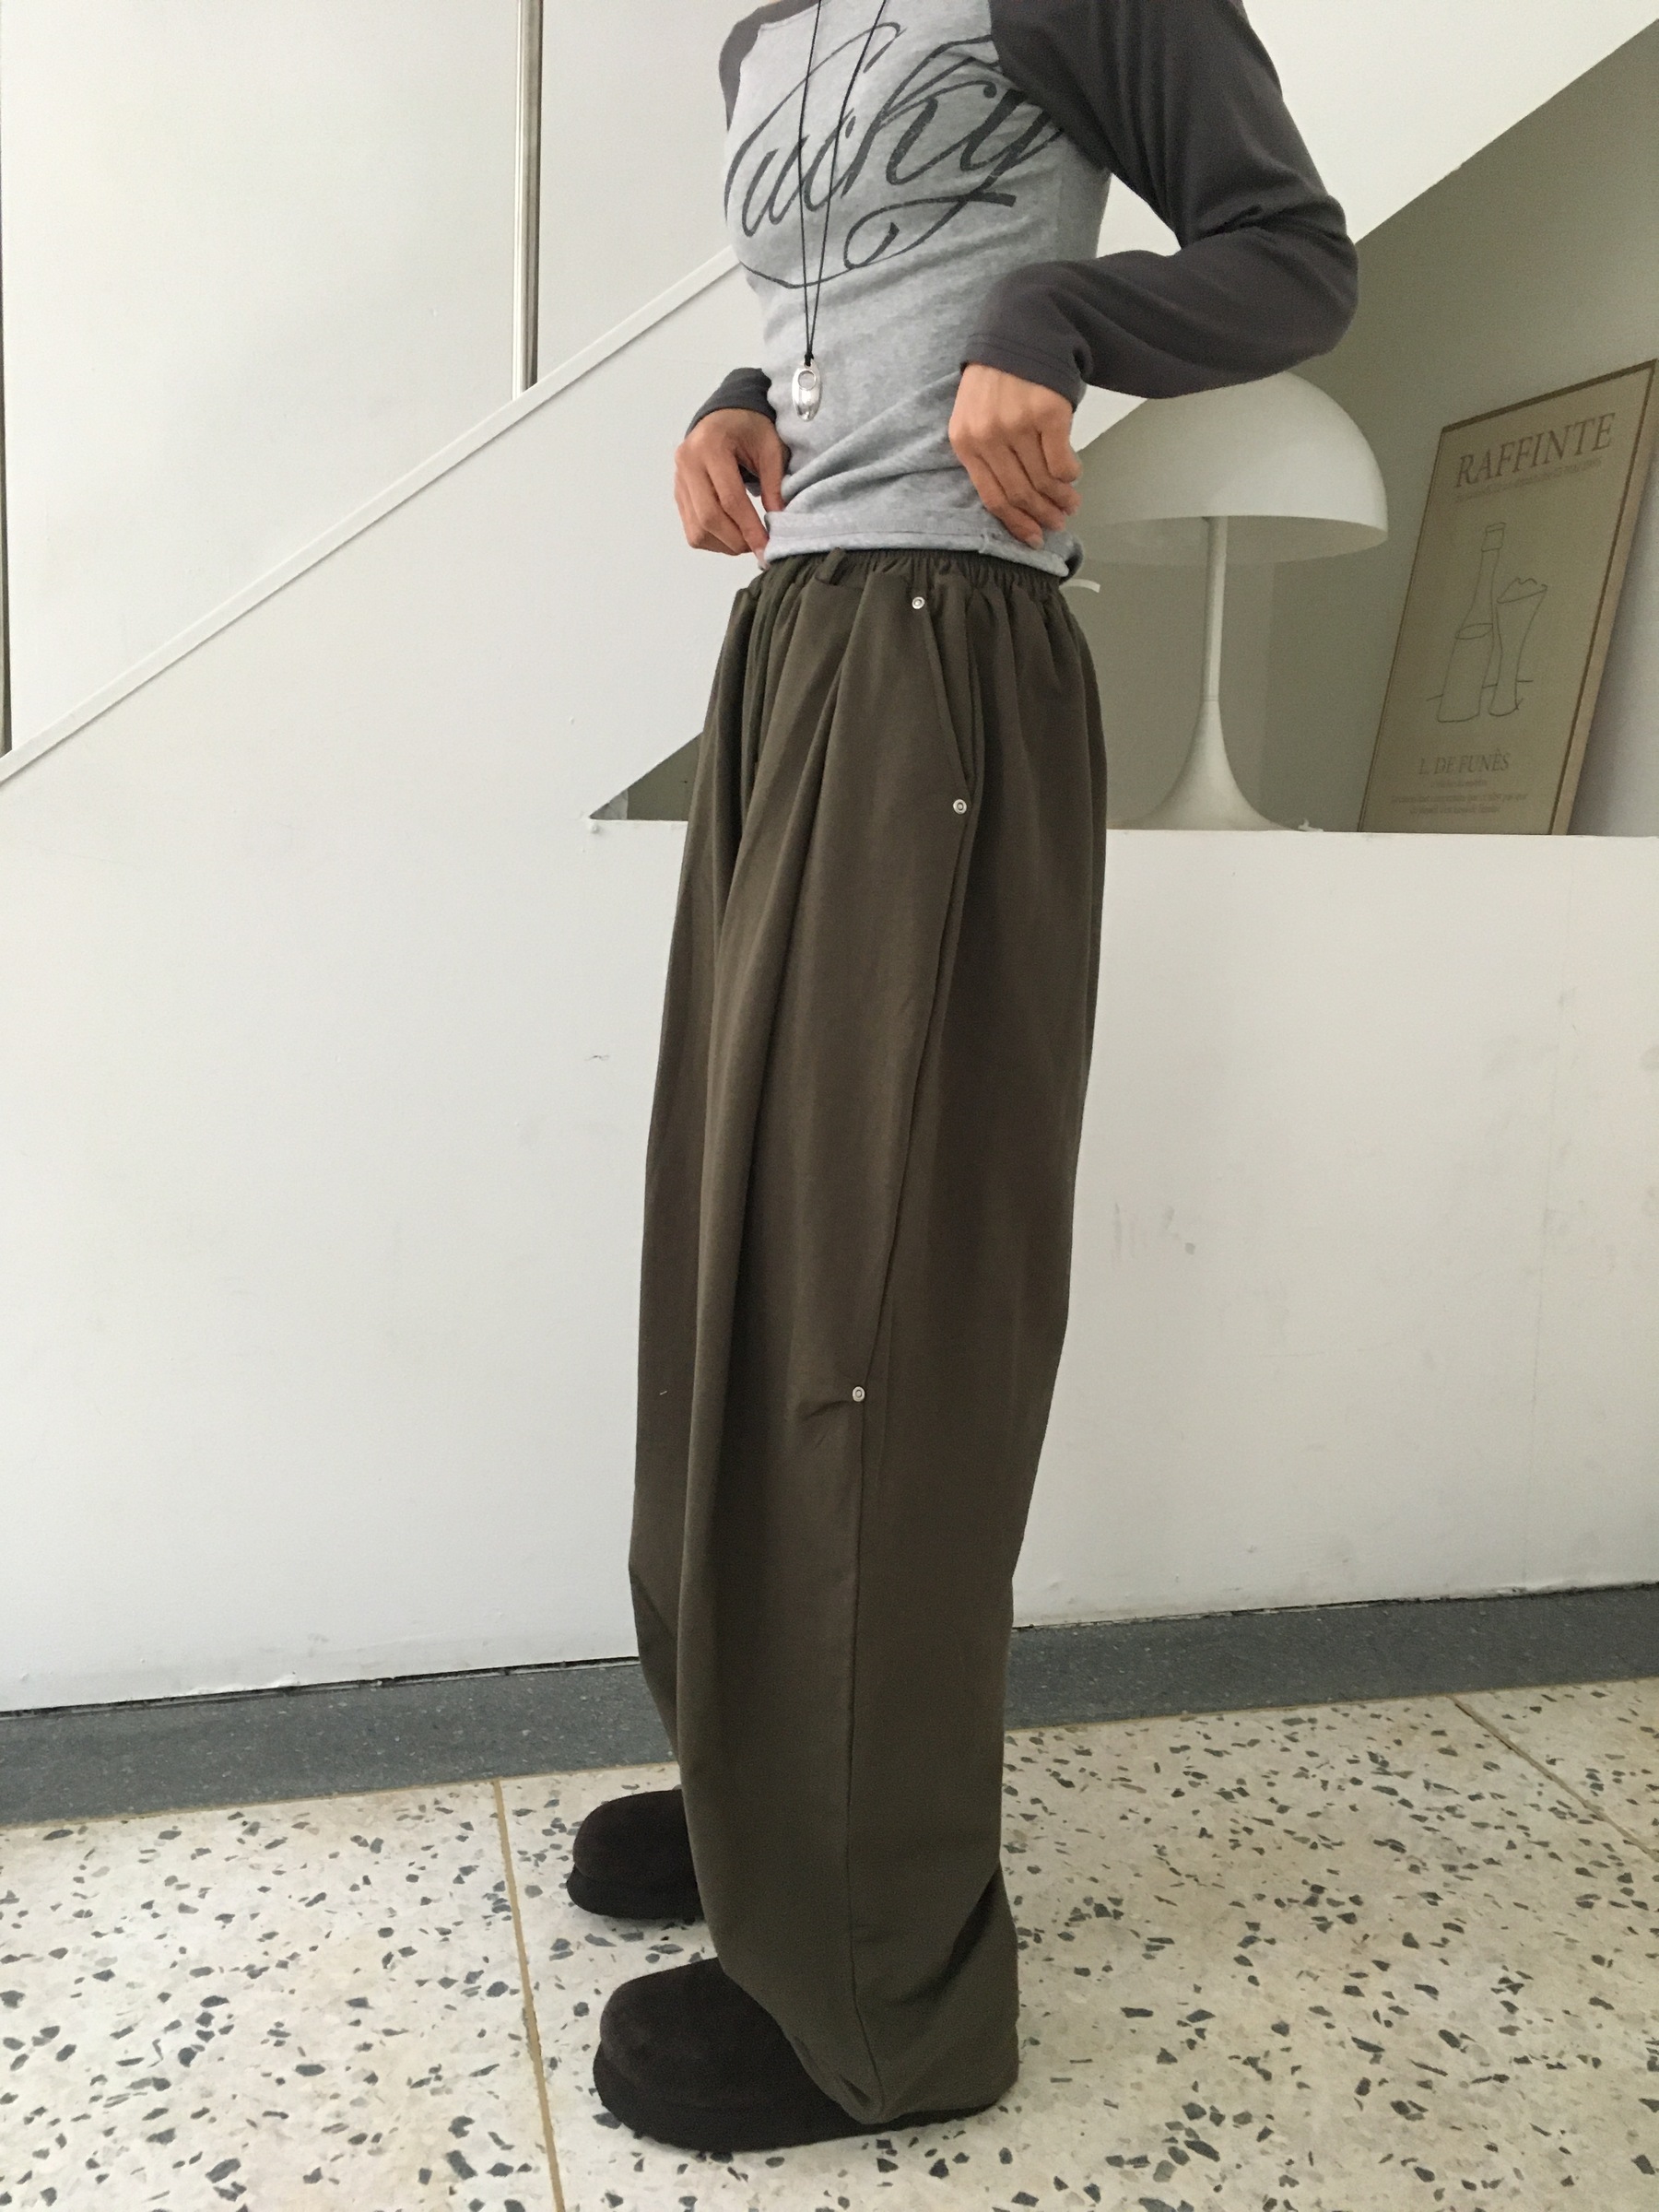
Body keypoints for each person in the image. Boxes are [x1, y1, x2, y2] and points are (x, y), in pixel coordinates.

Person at [567, 0, 1357, 2156]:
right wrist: (748, 394)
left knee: (881, 1314)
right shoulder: (763, 38)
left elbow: (1296, 256)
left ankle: (877, 2000)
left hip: (949, 646)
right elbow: (851, 288)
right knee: (730, 1258)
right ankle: (764, 1801)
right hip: (794, 645)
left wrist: (1060, 316)